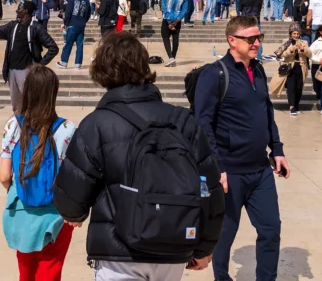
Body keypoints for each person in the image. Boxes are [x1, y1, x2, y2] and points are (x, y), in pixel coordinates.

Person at [54, 31, 224, 280]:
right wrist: (205, 247)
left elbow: (71, 194)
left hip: (119, 251)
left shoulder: (97, 124)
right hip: (173, 248)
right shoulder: (184, 121)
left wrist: (74, 215)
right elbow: (210, 188)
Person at [195, 16, 288, 281]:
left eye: (259, 38)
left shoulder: (258, 70)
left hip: (260, 170)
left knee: (271, 229)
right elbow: (203, 124)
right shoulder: (213, 74)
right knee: (224, 234)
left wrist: (277, 150)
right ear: (232, 40)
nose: (256, 43)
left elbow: (266, 112)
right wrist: (216, 168)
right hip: (229, 173)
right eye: (250, 39)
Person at [0, 66, 77, 280]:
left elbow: (4, 176)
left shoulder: (12, 126)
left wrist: (18, 189)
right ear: (56, 91)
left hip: (23, 210)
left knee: (26, 270)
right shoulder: (68, 128)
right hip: (56, 213)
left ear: (26, 91)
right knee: (50, 269)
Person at [0, 3, 58, 113]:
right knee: (16, 105)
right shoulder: (13, 26)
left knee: (30, 102)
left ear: (26, 11)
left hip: (27, 71)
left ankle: (33, 126)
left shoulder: (35, 27)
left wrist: (40, 65)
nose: (17, 10)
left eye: (19, 8)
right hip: (11, 71)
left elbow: (53, 47)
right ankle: (19, 125)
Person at [269, 24, 310, 115]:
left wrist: (303, 50)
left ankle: (296, 105)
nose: (296, 35)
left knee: (299, 87)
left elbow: (310, 54)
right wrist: (291, 49)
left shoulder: (304, 42)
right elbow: (281, 54)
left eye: (297, 33)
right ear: (290, 33)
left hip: (301, 67)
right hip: (290, 67)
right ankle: (291, 106)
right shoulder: (286, 42)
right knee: (291, 87)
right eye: (294, 33)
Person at [57, 0, 90, 70]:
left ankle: (63, 62)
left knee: (68, 44)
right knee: (80, 45)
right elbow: (88, 14)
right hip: (81, 25)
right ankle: (78, 64)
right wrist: (83, 21)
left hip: (72, 24)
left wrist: (65, 23)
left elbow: (68, 13)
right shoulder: (86, 0)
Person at [160, 0, 188, 67]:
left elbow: (164, 8)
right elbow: (184, 10)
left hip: (167, 20)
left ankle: (170, 57)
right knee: (175, 38)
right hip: (177, 20)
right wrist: (177, 21)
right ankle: (173, 57)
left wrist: (169, 21)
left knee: (165, 37)